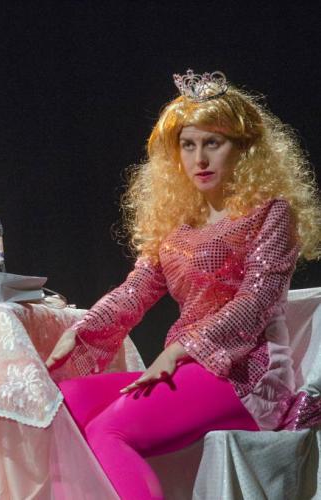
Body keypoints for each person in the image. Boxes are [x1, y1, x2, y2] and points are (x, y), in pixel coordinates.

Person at [45, 70, 321, 499]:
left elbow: (256, 302)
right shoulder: (179, 223)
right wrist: (81, 330)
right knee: (67, 405)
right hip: (194, 368)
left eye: (213, 143)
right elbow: (136, 289)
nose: (200, 159)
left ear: (244, 148)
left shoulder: (271, 212)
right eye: (188, 145)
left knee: (108, 431)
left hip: (247, 373)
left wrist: (178, 350)